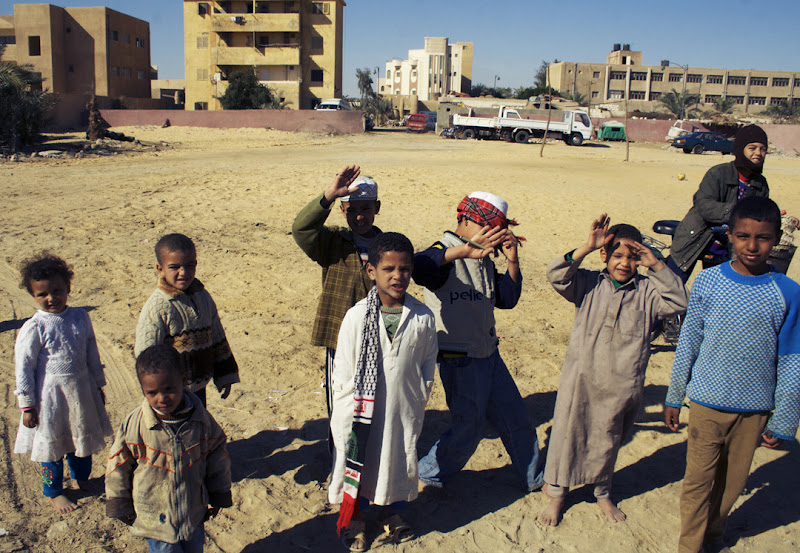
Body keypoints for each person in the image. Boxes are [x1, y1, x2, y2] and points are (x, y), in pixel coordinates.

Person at [664, 196, 800, 553]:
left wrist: (785, 421)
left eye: (763, 238)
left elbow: (792, 359)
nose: (752, 246)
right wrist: (674, 395)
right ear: (729, 236)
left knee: (732, 485)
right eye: (743, 236)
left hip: (753, 412)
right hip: (706, 403)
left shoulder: (788, 292)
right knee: (697, 483)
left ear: (776, 239)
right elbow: (689, 340)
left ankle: (713, 535)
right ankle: (689, 547)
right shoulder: (708, 282)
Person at [539, 215, 688, 526]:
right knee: (567, 436)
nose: (624, 263)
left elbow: (680, 302)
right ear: (604, 256)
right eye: (617, 255)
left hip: (622, 383)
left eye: (632, 257)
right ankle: (557, 494)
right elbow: (556, 275)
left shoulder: (648, 291)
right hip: (581, 380)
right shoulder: (588, 283)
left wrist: (657, 265)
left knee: (608, 439)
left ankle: (602, 492)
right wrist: (586, 247)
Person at [412, 192, 543, 492]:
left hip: (489, 353)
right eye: (492, 229)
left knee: (516, 417)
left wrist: (512, 260)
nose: (495, 237)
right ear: (469, 220)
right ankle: (426, 474)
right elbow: (420, 266)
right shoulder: (445, 248)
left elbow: (507, 298)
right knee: (468, 429)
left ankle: (534, 477)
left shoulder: (484, 258)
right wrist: (463, 251)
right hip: (460, 357)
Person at [329, 232, 438, 552]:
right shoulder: (356, 316)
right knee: (360, 461)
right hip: (361, 412)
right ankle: (355, 519)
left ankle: (392, 512)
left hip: (403, 407)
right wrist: (347, 410)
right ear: (371, 271)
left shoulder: (422, 317)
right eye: (388, 269)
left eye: (404, 269)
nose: (397, 276)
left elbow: (427, 366)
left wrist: (417, 398)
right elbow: (343, 370)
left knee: (397, 459)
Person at [106, 344, 232, 553]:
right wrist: (119, 501)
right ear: (143, 390)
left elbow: (217, 456)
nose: (162, 398)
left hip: (193, 511)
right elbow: (118, 464)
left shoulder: (201, 420)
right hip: (155, 516)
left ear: (183, 380)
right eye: (152, 392)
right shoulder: (135, 425)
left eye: (169, 389)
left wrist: (220, 492)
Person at [13, 252, 113, 513]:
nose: (51, 298)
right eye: (42, 294)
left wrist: (98, 386)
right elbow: (24, 367)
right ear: (33, 295)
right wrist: (27, 406)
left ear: (68, 287)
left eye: (57, 290)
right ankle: (54, 491)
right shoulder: (34, 327)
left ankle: (82, 478)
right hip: (50, 399)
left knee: (81, 438)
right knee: (53, 445)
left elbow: (92, 353)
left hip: (80, 392)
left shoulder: (80, 317)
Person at [292, 166, 382, 422]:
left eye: (365, 209)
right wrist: (329, 195)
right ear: (342, 210)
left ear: (376, 208)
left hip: (377, 337)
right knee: (342, 404)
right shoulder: (331, 241)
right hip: (340, 337)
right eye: (351, 210)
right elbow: (301, 229)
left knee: (375, 403)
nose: (359, 216)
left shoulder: (386, 246)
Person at [135, 233, 239, 407]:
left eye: (189, 266)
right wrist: (157, 393)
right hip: (170, 393)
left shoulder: (203, 297)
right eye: (174, 267)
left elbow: (217, 337)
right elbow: (146, 355)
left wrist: (225, 375)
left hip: (199, 388)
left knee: (197, 420)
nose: (183, 272)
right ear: (160, 269)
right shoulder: (158, 307)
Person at [666, 125, 769, 282]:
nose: (758, 153)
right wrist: (739, 212)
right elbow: (704, 206)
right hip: (696, 236)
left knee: (722, 290)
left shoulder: (761, 184)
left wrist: (775, 217)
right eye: (752, 148)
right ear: (741, 149)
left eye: (763, 149)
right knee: (670, 286)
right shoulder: (718, 173)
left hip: (728, 246)